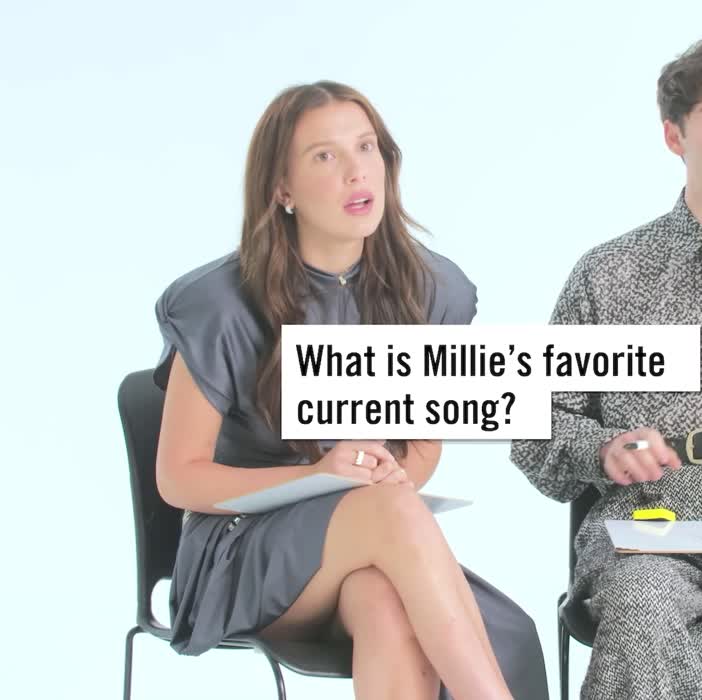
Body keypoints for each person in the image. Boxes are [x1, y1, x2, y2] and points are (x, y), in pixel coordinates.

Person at [154, 80, 547, 699]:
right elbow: (179, 478)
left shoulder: (431, 290)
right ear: (282, 189)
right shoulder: (220, 303)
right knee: (390, 510)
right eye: (324, 156)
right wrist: (322, 478)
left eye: (366, 148)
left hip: (371, 548)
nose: (356, 171)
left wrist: (384, 475)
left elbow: (422, 450)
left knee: (385, 602)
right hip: (243, 554)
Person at [511, 39, 702, 700]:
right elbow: (533, 424)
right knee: (643, 608)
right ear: (675, 136)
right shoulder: (610, 275)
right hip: (655, 537)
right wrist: (602, 448)